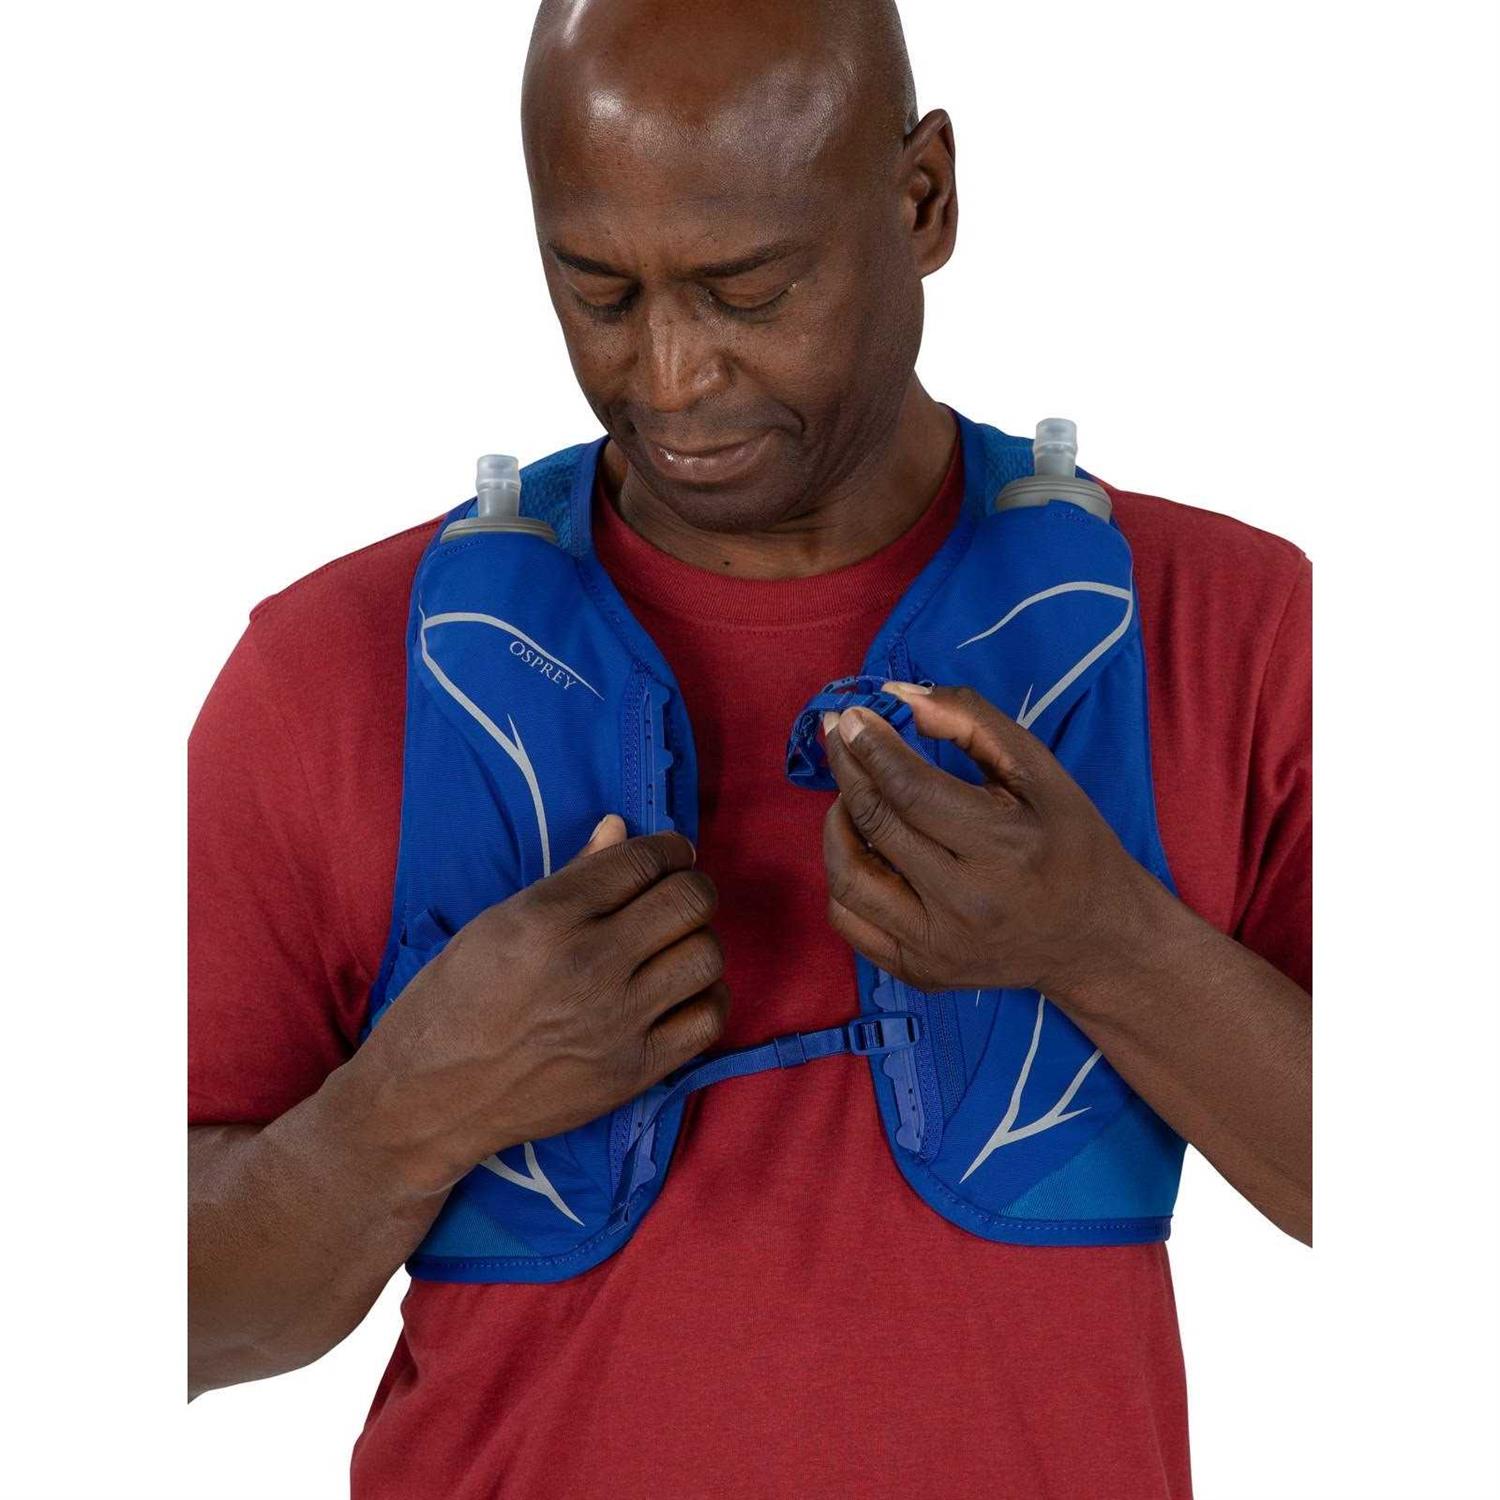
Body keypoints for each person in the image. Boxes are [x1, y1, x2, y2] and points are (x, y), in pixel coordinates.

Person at [188, 0, 1311, 1494]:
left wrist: (1108, 947)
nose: (670, 377)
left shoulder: (1230, 629)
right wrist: (399, 1119)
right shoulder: (332, 672)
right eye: (598, 292)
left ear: (923, 200)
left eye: (749, 290)